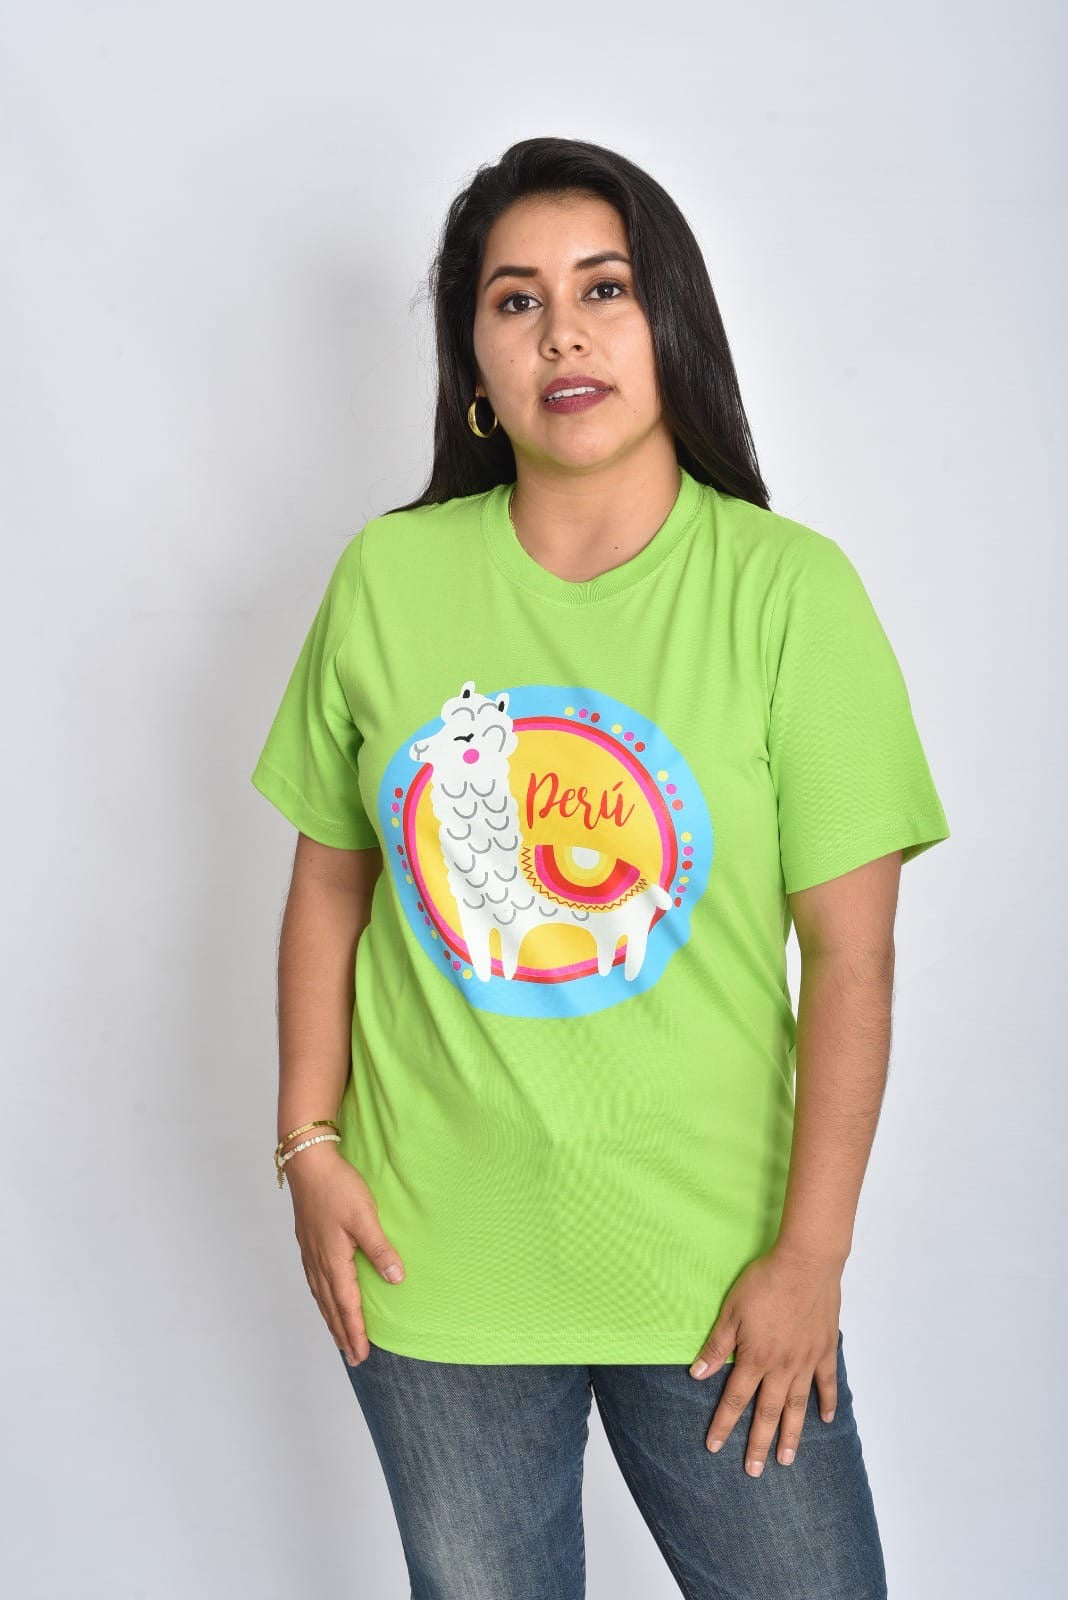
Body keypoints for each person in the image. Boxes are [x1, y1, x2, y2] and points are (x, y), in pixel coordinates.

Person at [251, 136, 949, 1599]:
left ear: (670, 323)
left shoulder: (787, 591)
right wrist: (307, 1144)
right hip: (433, 1257)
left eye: (604, 288)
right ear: (474, 364)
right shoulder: (389, 578)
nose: (561, 331)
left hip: (717, 1270)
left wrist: (811, 1259)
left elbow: (854, 957)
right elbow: (329, 879)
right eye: (515, 300)